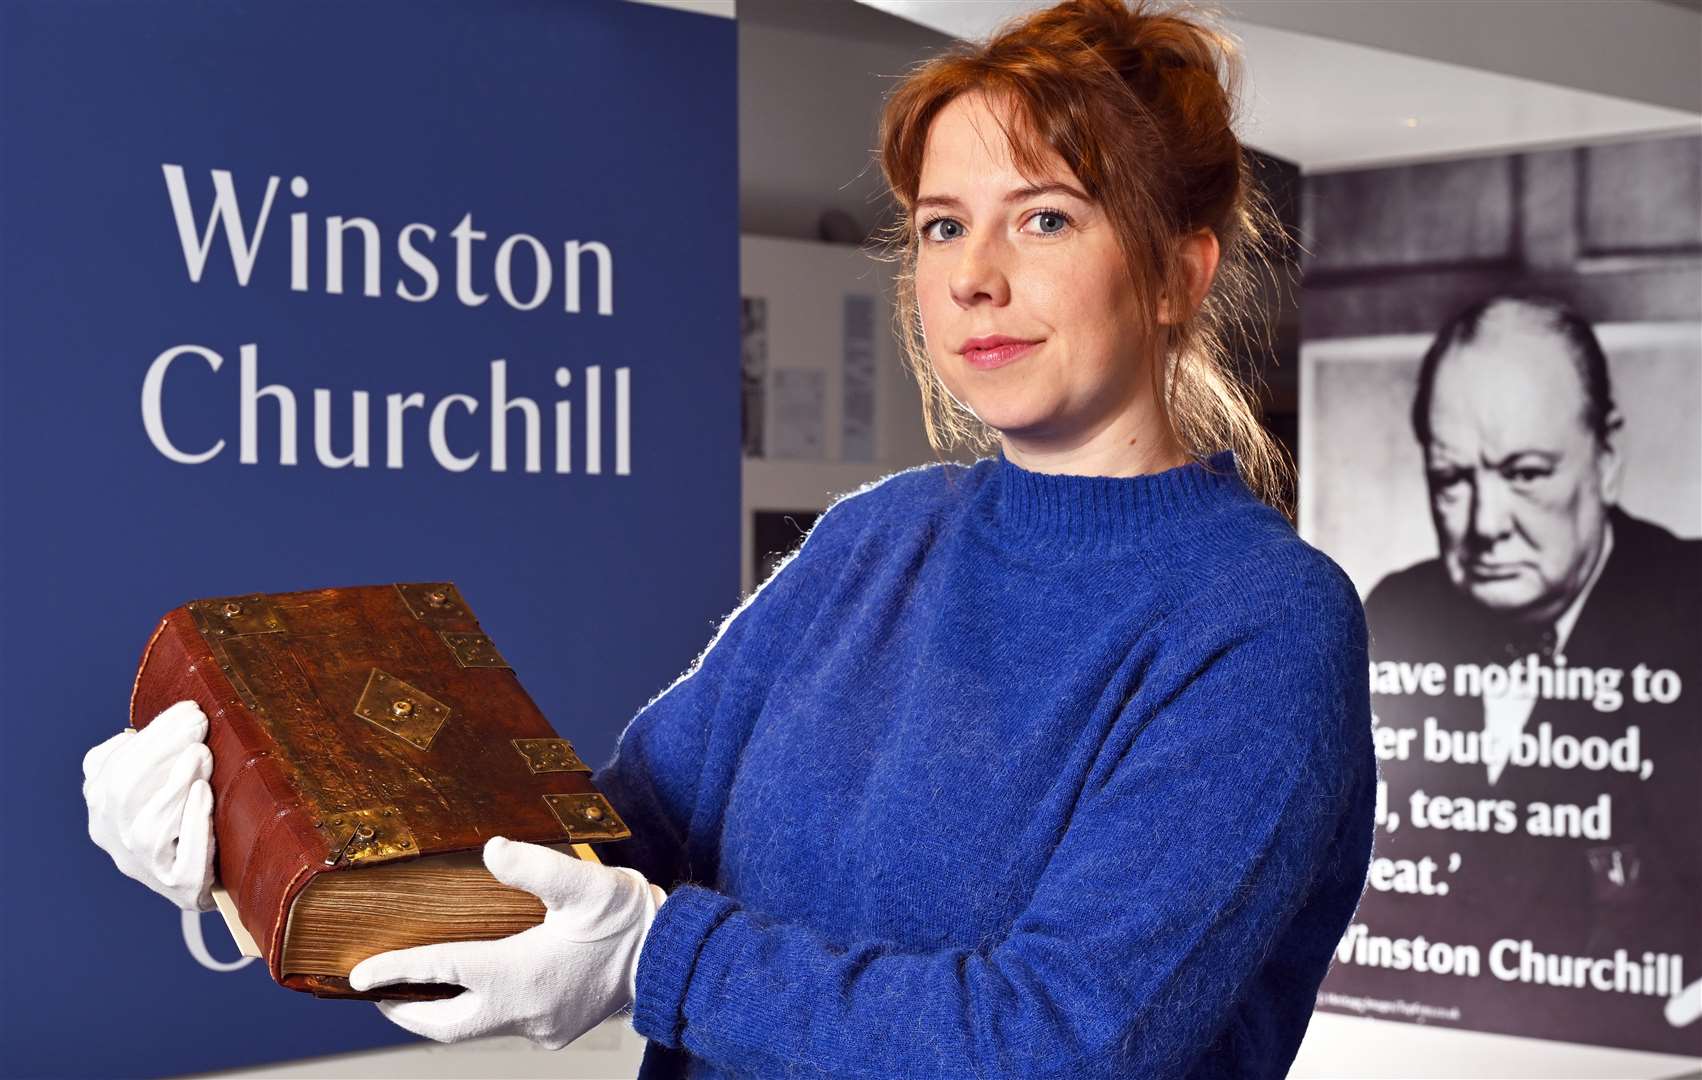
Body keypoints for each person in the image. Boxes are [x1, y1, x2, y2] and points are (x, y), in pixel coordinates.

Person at [81, 2, 1375, 1076]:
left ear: (1178, 271)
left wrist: (658, 959)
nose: (974, 274)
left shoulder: (1259, 621)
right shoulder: (875, 540)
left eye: (1043, 215)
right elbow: (610, 854)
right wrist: (266, 844)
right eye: (940, 222)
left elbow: (1066, 1039)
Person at [1353, 293, 1700, 1047]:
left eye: (1526, 473)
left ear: (1607, 459)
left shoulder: (1692, 607)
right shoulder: (1395, 611)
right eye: (1452, 478)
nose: (1483, 525)